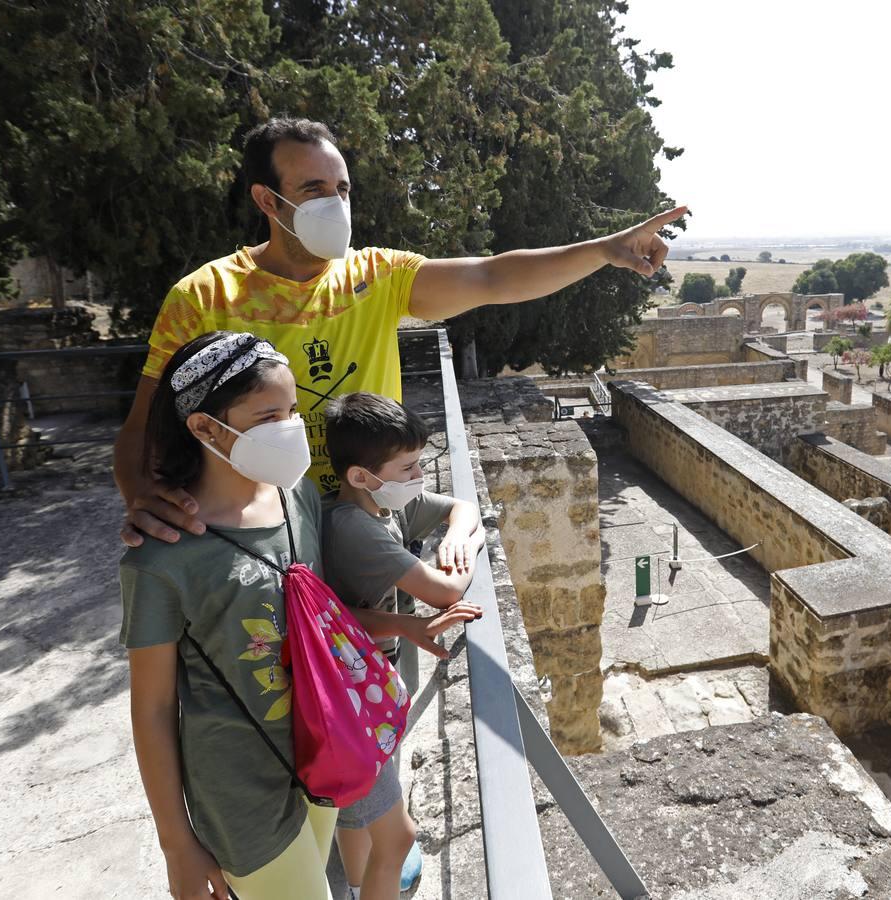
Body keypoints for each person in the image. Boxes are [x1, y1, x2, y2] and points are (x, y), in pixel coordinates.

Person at [116, 116, 684, 545]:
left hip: (366, 521)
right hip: (257, 532)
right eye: (314, 190)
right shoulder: (203, 297)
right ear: (268, 199)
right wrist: (144, 497)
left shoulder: (376, 276)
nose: (336, 203)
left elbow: (492, 275)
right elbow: (144, 427)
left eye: (342, 189)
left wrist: (605, 250)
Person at [121, 331, 473, 900]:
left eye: (291, 410)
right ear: (206, 427)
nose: (289, 428)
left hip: (322, 755)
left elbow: (321, 621)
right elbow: (154, 708)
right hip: (243, 794)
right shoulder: (162, 557)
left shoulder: (298, 497)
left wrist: (405, 627)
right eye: (268, 416)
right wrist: (177, 844)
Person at [320, 391, 485, 899]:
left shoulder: (383, 506)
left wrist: (457, 535)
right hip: (351, 692)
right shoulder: (354, 528)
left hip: (369, 674)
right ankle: (358, 883)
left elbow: (462, 506)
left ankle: (358, 877)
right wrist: (472, 549)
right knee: (377, 819)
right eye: (409, 466)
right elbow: (446, 591)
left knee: (362, 807)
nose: (418, 477)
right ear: (362, 476)